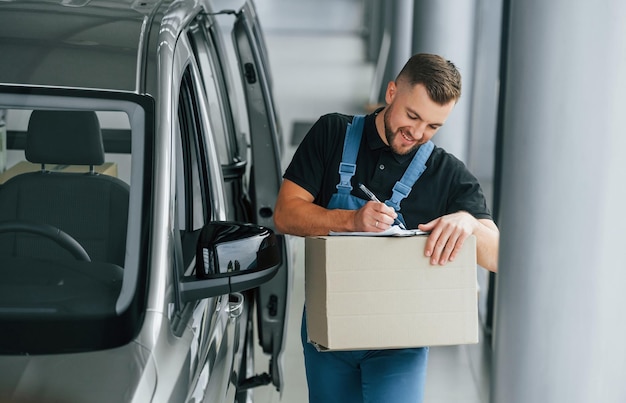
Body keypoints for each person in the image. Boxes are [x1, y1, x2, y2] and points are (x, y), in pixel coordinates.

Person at [274, 53, 499, 403]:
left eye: (433, 126)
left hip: (401, 340)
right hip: (329, 326)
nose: (418, 133)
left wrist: (468, 222)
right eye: (413, 116)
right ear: (392, 92)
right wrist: (349, 220)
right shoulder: (332, 133)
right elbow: (285, 214)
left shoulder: (446, 173)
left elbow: (498, 255)